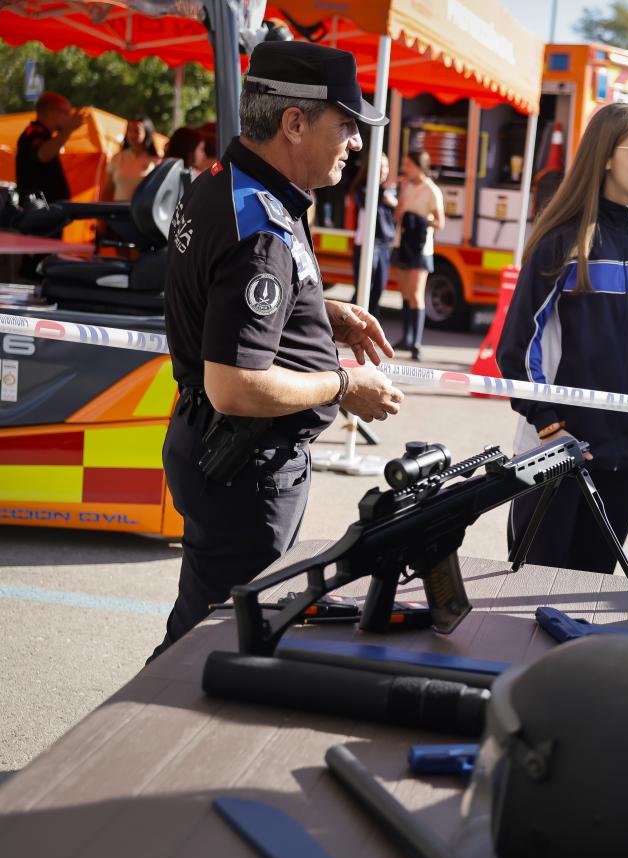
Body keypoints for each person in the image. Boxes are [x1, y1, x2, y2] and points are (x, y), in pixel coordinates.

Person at [157, 41, 402, 659]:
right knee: (207, 647)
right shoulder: (261, 227)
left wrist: (321, 314)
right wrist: (345, 386)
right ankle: (115, 752)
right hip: (244, 467)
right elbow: (235, 385)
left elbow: (227, 302)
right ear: (294, 122)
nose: (355, 142)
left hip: (221, 454)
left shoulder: (224, 181)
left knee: (208, 631)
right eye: (345, 125)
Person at [496, 102, 628, 575]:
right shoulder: (561, 240)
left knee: (586, 595)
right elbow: (517, 350)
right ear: (604, 155)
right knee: (531, 590)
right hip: (557, 452)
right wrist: (550, 426)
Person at [390, 149, 444, 359]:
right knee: (404, 292)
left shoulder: (432, 190)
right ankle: (407, 337)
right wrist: (402, 197)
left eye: (409, 165)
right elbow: (398, 214)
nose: (406, 169)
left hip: (421, 247)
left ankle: (417, 343)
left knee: (416, 295)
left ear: (420, 166)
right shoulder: (407, 186)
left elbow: (440, 222)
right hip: (403, 243)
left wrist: (420, 220)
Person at [348, 155, 397, 319]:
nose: (384, 171)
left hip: (383, 245)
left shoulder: (390, 193)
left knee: (378, 288)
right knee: (363, 288)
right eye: (380, 166)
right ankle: (350, 323)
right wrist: (384, 197)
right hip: (366, 243)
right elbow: (366, 203)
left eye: (386, 167)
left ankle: (370, 322)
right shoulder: (363, 189)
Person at [15, 92, 83, 206]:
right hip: (37, 213)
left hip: (47, 213)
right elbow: (42, 154)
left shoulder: (45, 135)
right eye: (66, 112)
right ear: (53, 112)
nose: (69, 118)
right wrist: (69, 129)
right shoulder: (33, 132)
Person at [103, 116, 159, 202]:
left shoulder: (156, 162)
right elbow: (107, 189)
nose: (132, 134)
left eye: (137, 131)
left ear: (146, 133)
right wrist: (102, 213)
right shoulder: (117, 158)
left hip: (141, 213)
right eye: (129, 130)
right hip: (118, 213)